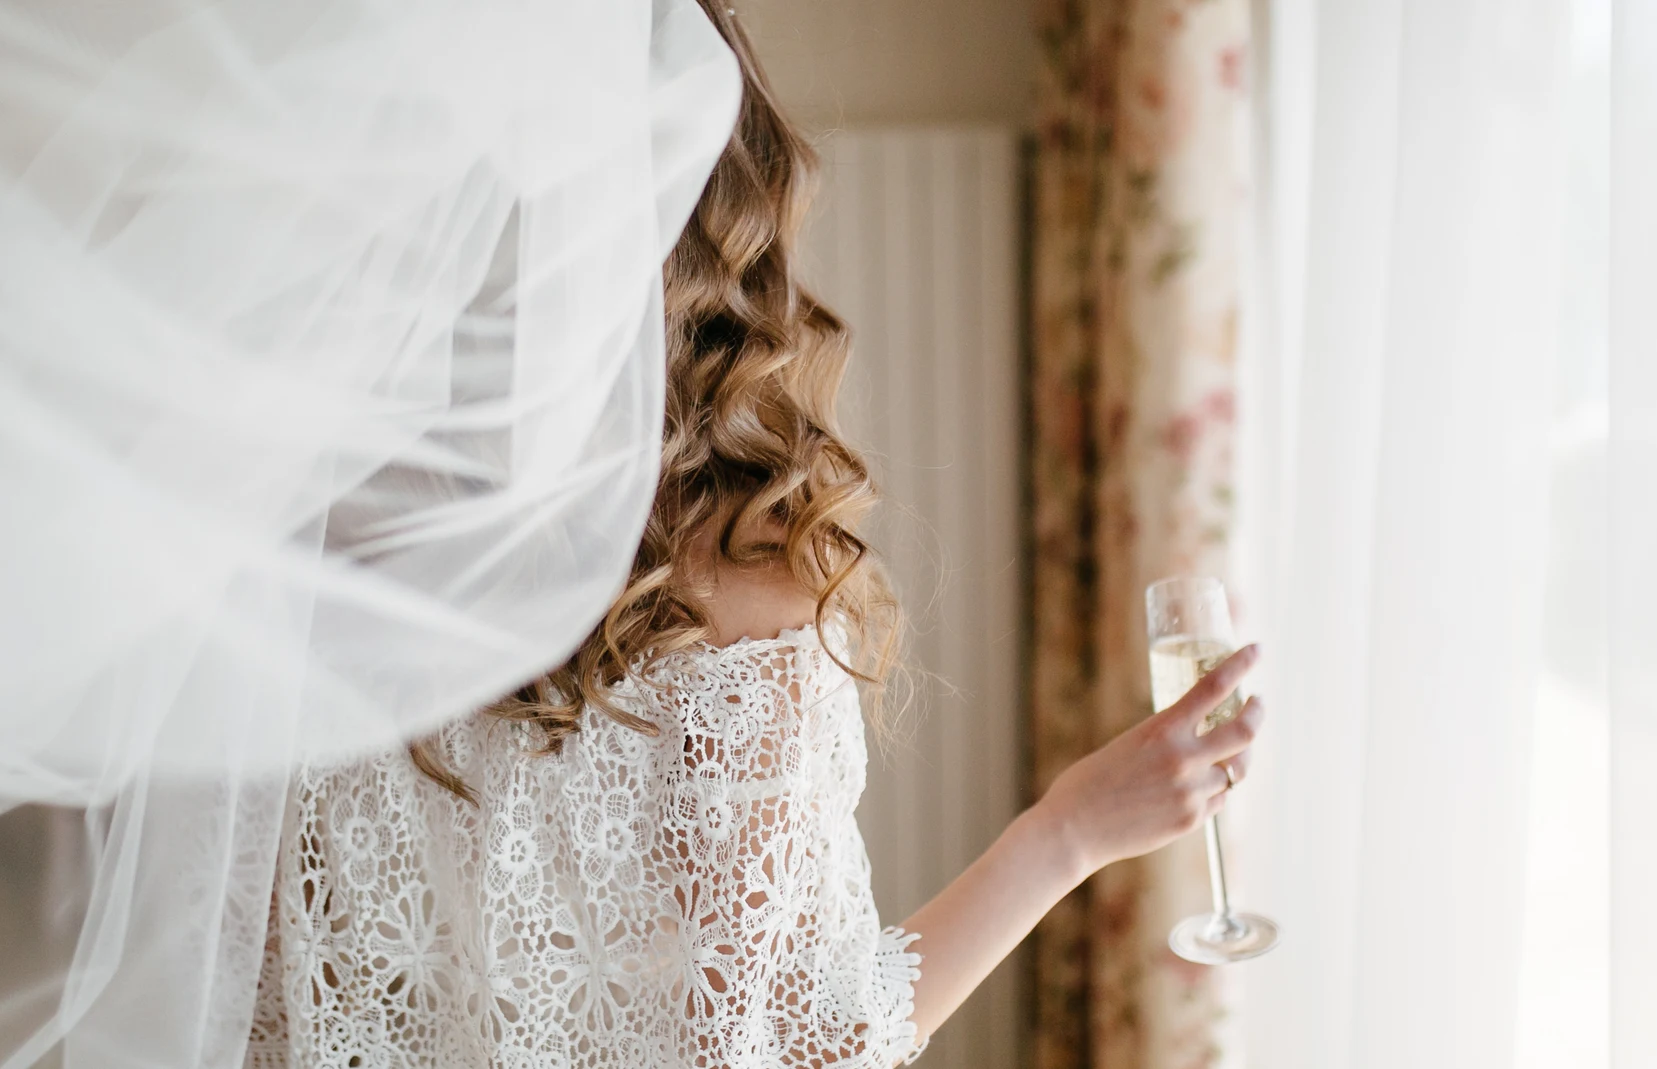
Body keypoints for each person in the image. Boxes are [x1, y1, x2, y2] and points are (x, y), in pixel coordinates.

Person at [245, 4, 1266, 1066]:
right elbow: (803, 1044)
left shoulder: (291, 544)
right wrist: (1069, 830)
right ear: (720, 218)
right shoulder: (742, 603)